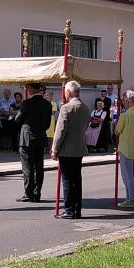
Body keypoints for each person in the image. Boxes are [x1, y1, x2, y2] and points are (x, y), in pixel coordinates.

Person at [50, 81, 88, 219]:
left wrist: (54, 149)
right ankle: (77, 209)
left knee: (67, 180)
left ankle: (69, 210)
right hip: (79, 148)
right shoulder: (85, 107)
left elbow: (60, 131)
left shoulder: (66, 108)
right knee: (77, 180)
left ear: (69, 92)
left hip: (67, 149)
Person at [15, 82, 53, 203]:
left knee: (27, 167)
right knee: (39, 167)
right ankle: (37, 193)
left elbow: (18, 119)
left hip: (27, 138)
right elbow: (47, 124)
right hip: (41, 137)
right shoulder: (47, 104)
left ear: (31, 89)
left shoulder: (27, 103)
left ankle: (28, 193)